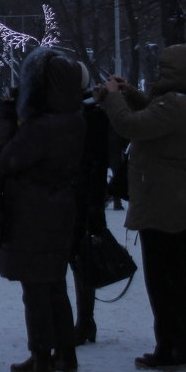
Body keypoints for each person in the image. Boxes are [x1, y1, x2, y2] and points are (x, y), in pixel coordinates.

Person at [96, 43, 186, 372]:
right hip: (173, 198)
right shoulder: (183, 102)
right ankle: (181, 344)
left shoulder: (174, 104)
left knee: (163, 279)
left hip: (163, 201)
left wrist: (114, 98)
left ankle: (171, 347)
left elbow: (133, 126)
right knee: (175, 277)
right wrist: (129, 93)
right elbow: (151, 117)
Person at [0, 48, 87, 372]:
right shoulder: (74, 119)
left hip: (32, 209)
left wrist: (8, 116)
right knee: (55, 283)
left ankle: (41, 355)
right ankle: (65, 353)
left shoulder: (41, 127)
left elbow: (4, 160)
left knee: (34, 285)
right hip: (61, 207)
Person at [72, 75, 111, 346]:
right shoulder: (93, 114)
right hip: (85, 197)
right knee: (79, 261)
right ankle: (84, 320)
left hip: (80, 198)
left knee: (79, 260)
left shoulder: (88, 115)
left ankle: (84, 321)